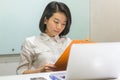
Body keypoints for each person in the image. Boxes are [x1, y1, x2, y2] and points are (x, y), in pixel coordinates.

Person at [16, 1, 72, 74]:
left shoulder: (68, 42)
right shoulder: (30, 42)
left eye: (63, 24)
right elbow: (20, 71)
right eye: (56, 22)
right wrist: (40, 70)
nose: (59, 27)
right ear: (45, 20)